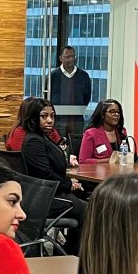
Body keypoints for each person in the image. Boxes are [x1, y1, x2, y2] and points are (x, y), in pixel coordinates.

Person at [19, 98, 85, 254]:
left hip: (51, 193)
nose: (49, 120)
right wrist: (68, 184)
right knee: (88, 210)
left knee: (90, 202)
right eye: (44, 116)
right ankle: (72, 255)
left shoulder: (43, 137)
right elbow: (45, 175)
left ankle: (69, 252)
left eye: (52, 116)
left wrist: (68, 183)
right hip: (43, 199)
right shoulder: (33, 141)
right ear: (33, 118)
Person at [48, 44, 92, 143]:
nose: (71, 59)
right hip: (58, 120)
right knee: (57, 144)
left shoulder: (83, 76)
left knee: (76, 144)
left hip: (77, 120)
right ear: (60, 58)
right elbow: (48, 98)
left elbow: (87, 97)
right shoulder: (52, 76)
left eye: (73, 56)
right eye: (67, 57)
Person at [79, 98, 131, 164]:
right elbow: (83, 161)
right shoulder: (91, 134)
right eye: (112, 112)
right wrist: (109, 160)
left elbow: (126, 156)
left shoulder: (122, 132)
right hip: (98, 170)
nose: (116, 114)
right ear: (102, 115)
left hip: (120, 170)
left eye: (118, 112)